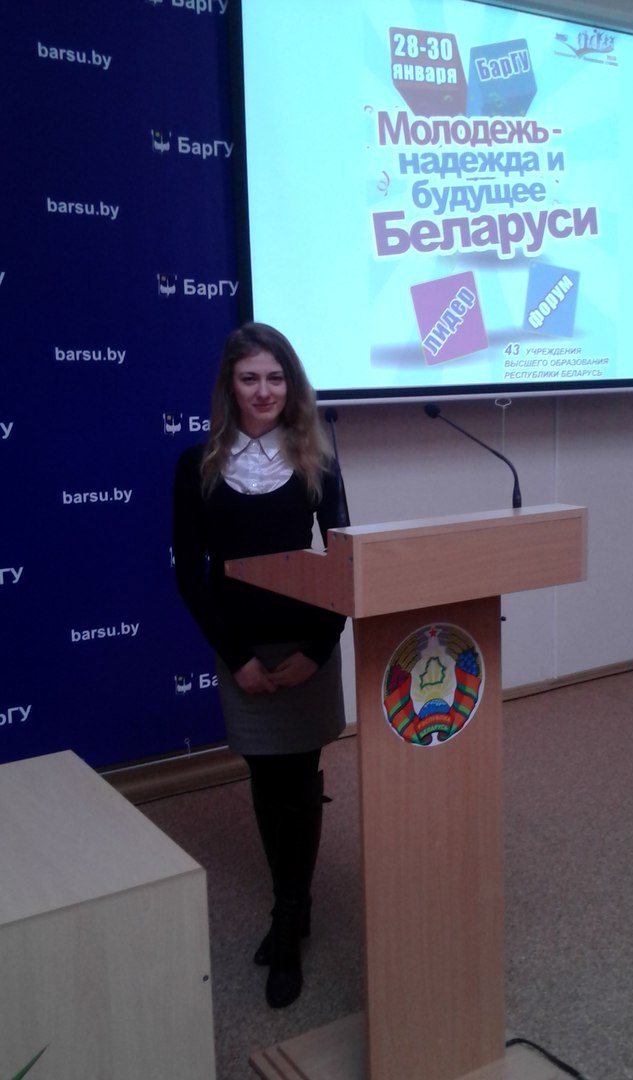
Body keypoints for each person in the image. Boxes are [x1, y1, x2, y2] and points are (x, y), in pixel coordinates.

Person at [172, 321, 347, 1009]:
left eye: (276, 377)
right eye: (250, 378)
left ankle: (290, 916)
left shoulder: (316, 458)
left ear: (290, 384)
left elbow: (344, 561)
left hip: (306, 647)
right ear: (230, 385)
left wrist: (318, 652)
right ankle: (290, 903)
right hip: (242, 652)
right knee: (267, 779)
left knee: (299, 780)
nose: (264, 390)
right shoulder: (196, 465)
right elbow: (191, 574)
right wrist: (237, 658)